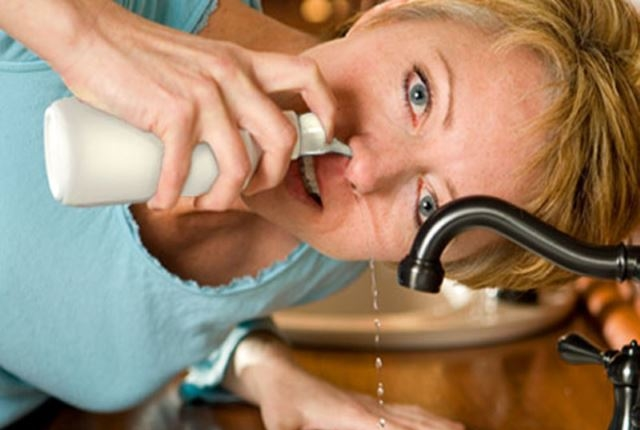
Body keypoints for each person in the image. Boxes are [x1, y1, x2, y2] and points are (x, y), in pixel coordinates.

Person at [0, 0, 638, 428]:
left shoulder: (324, 259)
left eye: (428, 207)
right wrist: (83, 31)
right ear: (391, 11)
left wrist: (275, 379)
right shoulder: (131, 10)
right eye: (418, 94)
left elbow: (158, 319)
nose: (365, 168)